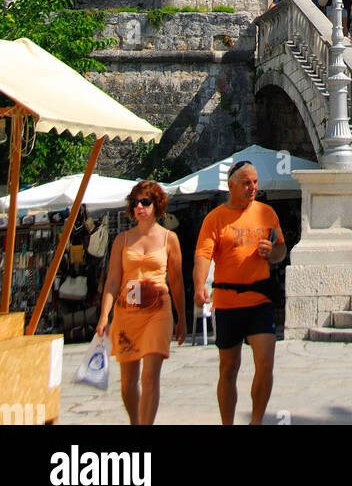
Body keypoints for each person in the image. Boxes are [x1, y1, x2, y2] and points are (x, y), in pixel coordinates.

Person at [193, 160, 286, 425]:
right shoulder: (215, 219)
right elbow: (202, 255)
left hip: (260, 299)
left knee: (266, 361)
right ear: (231, 185)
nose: (253, 187)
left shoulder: (267, 213)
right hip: (227, 302)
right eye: (247, 183)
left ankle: (256, 421)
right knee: (229, 368)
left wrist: (273, 252)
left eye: (255, 182)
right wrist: (200, 286)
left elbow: (281, 250)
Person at [96, 180, 186, 426]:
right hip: (127, 313)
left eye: (145, 202)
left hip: (158, 310)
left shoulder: (170, 239)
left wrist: (182, 320)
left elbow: (177, 282)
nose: (139, 206)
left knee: (149, 376)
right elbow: (113, 282)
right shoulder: (122, 240)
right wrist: (104, 316)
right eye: (135, 202)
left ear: (157, 205)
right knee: (127, 382)